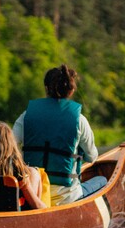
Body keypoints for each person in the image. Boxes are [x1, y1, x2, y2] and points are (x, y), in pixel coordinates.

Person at [12, 64, 106, 206]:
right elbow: (92, 157)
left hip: (35, 194)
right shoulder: (79, 120)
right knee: (102, 180)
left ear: (46, 88)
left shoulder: (26, 116)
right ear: (71, 91)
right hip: (67, 197)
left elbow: (9, 146)